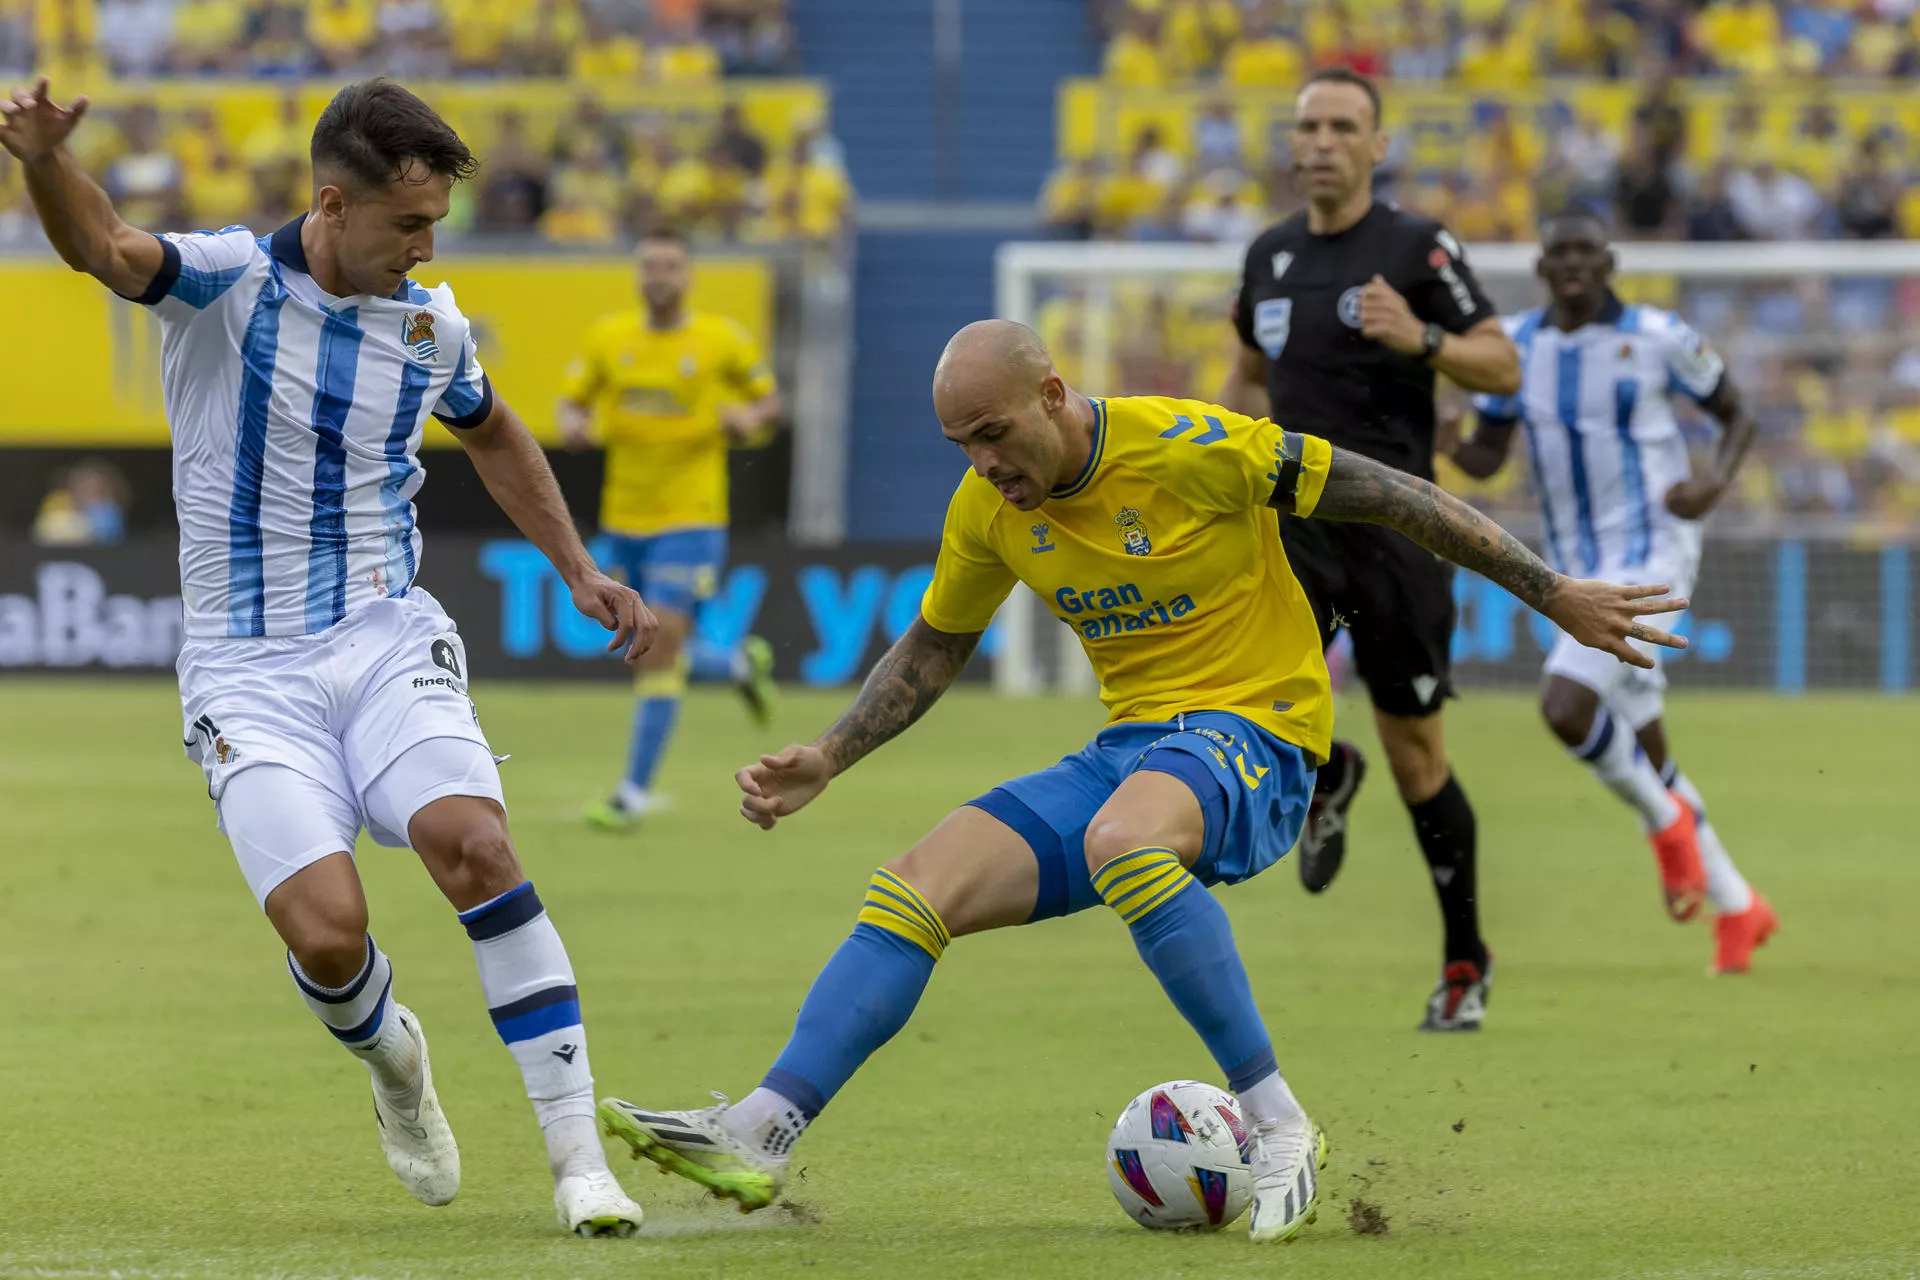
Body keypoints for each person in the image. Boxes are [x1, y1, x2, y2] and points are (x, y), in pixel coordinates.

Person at [595, 319, 1686, 1242]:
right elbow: (934, 644)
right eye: (960, 444)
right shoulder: (989, 507)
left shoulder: (1191, 446)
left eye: (994, 433)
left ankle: (1278, 1122)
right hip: (1136, 752)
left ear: (1055, 395)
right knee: (916, 883)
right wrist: (828, 755)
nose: (982, 463)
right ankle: (761, 1127)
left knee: (1126, 837)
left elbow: (1392, 494)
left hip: (1261, 736)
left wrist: (1553, 593)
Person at [0, 76, 655, 1235]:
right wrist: (45, 160)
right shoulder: (226, 283)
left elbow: (493, 428)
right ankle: (395, 1060)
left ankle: (577, 1159)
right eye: (407, 225)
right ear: (332, 201)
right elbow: (101, 244)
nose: (424, 247)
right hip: (246, 669)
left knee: (474, 841)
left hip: (384, 632)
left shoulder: (430, 325)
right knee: (327, 929)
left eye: (435, 226)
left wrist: (576, 564)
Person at [1218, 68, 1521, 1031]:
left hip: (1401, 531)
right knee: (1243, 700)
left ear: (1377, 145)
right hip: (1295, 526)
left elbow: (1502, 360)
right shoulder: (1268, 257)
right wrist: (1217, 460)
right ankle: (1322, 769)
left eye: (1343, 126)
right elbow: (1247, 376)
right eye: (1308, 125)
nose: (1322, 142)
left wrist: (1422, 336)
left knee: (1418, 755)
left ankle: (1464, 964)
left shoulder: (1416, 246)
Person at [1450, 213, 1777, 975]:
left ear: (1609, 262)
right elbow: (1486, 454)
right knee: (1648, 749)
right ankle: (1738, 907)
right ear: (1540, 264)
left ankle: (1667, 830)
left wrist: (1712, 484)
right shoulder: (1518, 347)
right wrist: (1446, 440)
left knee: (1565, 705)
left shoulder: (1661, 335)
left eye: (1584, 252)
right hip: (1574, 568)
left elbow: (1738, 414)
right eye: (1558, 251)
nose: (1571, 264)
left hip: (1654, 551)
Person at [559, 227, 783, 831]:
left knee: (654, 652)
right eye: (649, 266)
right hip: (623, 517)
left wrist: (746, 416)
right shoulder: (611, 339)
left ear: (687, 275)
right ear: (639, 275)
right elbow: (570, 402)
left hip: (691, 517)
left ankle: (632, 793)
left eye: (670, 266)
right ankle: (736, 665)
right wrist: (573, 423)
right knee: (647, 645)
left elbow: (769, 404)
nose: (659, 276)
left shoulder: (719, 340)